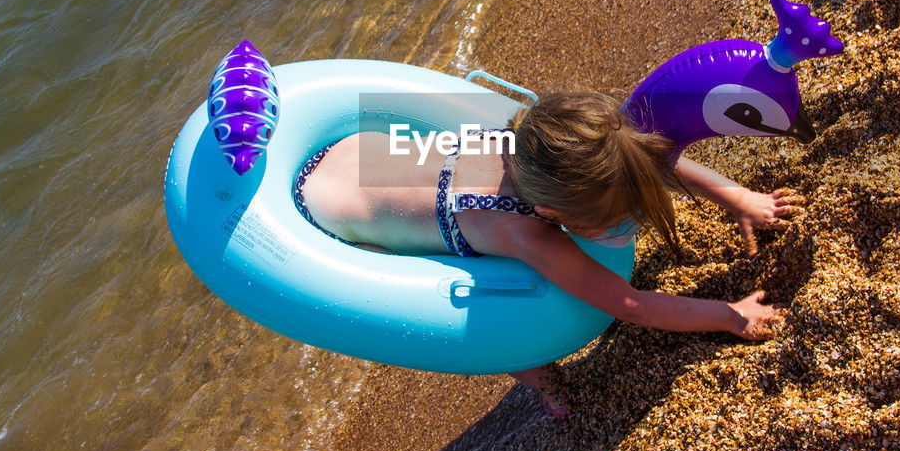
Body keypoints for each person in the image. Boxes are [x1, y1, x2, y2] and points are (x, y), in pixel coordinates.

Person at [297, 92, 804, 418]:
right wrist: (730, 316)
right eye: (610, 222)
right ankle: (545, 384)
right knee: (490, 301)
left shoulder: (533, 143)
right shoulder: (525, 233)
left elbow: (646, 160)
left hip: (356, 149)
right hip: (330, 212)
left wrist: (737, 196)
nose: (624, 226)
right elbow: (627, 304)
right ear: (548, 212)